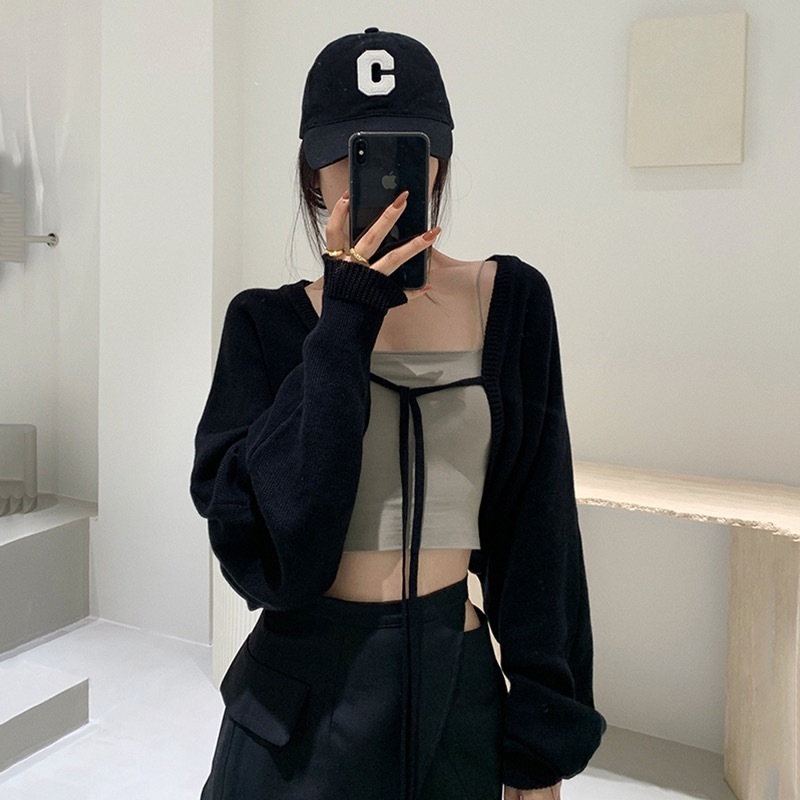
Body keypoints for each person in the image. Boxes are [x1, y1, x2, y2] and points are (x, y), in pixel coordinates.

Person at [190, 27, 606, 800]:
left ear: (438, 159)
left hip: (455, 697)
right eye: (346, 154)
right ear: (312, 176)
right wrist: (347, 318)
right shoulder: (265, 324)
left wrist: (543, 732)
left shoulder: (510, 301)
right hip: (296, 706)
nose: (370, 179)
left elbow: (540, 533)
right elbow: (262, 554)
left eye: (399, 151)